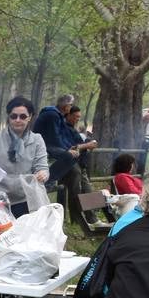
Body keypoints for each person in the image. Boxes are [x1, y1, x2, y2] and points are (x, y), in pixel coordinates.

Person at [0, 96, 49, 230]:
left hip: (23, 200)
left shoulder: (37, 140)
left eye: (23, 116)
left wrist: (43, 174)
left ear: (30, 117)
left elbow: (42, 167)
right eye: (14, 116)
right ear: (8, 117)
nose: (18, 120)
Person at [34, 93, 96, 222]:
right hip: (67, 158)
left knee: (84, 185)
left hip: (79, 161)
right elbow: (59, 140)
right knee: (77, 182)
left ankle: (91, 217)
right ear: (67, 112)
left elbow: (70, 144)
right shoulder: (59, 120)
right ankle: (83, 217)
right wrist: (83, 146)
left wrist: (78, 147)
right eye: (75, 117)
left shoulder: (67, 125)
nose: (77, 119)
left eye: (79, 117)